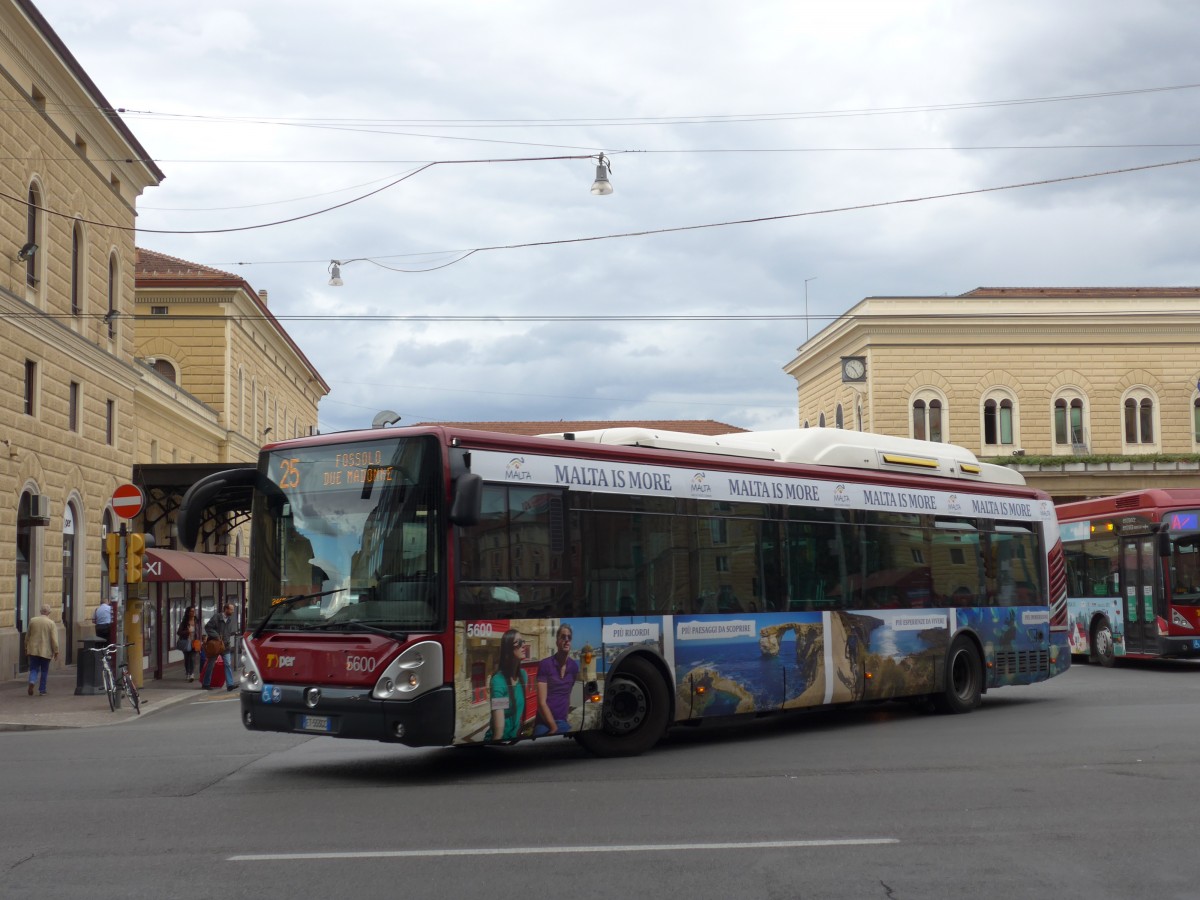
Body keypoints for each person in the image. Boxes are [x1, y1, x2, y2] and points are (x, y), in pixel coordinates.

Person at [534, 623, 578, 736]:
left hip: (562, 721)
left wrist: (564, 719)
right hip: (543, 722)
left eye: (569, 637)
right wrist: (553, 728)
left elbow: (567, 694)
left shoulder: (574, 667)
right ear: (557, 642)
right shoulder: (545, 664)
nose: (566, 640)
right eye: (563, 637)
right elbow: (541, 702)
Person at [484, 629, 527, 742]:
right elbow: (499, 730)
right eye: (518, 642)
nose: (524, 645)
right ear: (508, 650)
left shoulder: (523, 676)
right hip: (502, 740)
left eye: (523, 641)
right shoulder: (499, 681)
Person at [200, 602, 238, 692]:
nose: (232, 611)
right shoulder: (217, 617)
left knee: (228, 664)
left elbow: (228, 632)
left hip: (225, 645)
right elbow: (208, 627)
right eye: (231, 609)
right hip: (216, 645)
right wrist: (216, 635)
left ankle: (230, 684)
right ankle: (206, 683)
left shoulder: (229, 619)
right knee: (211, 664)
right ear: (226, 609)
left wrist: (227, 641)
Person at [25, 605, 59, 696]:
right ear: (49, 612)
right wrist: (56, 651)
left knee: (33, 669)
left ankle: (32, 681)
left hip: (33, 650)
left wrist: (26, 647)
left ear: (41, 611)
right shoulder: (51, 623)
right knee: (44, 671)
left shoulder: (33, 620)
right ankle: (42, 690)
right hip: (46, 650)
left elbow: (27, 635)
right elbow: (54, 639)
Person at [177, 606, 199, 682]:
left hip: (195, 642)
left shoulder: (197, 621)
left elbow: (199, 631)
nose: (193, 613)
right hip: (186, 642)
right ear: (188, 613)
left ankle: (192, 674)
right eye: (191, 611)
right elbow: (178, 632)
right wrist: (187, 632)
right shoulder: (184, 622)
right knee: (187, 658)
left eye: (194, 611)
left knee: (192, 658)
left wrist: (201, 639)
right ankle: (187, 673)